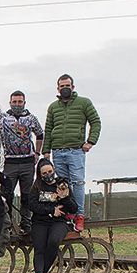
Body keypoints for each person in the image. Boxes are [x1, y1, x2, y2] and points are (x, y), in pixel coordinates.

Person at [43, 74, 101, 231]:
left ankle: (79, 215)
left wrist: (91, 142)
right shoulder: (53, 107)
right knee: (63, 184)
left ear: (73, 87)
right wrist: (46, 150)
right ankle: (68, 214)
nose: (65, 88)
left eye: (67, 85)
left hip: (76, 151)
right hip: (58, 151)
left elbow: (95, 121)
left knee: (77, 182)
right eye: (62, 86)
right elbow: (48, 129)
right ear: (58, 88)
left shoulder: (84, 103)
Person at [0, 90, 44, 235]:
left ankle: (26, 223)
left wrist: (37, 153)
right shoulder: (2, 118)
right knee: (7, 193)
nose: (17, 104)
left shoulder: (31, 118)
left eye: (20, 102)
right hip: (10, 161)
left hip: (27, 162)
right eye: (14, 102)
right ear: (10, 102)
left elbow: (40, 134)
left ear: (24, 103)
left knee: (27, 194)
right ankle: (8, 223)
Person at [27, 158, 78, 273]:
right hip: (40, 221)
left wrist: (64, 197)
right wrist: (51, 210)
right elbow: (32, 204)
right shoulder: (36, 187)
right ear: (40, 174)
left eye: (50, 171)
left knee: (53, 241)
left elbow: (73, 208)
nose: (48, 175)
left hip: (59, 222)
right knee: (39, 246)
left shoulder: (62, 184)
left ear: (54, 170)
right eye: (44, 173)